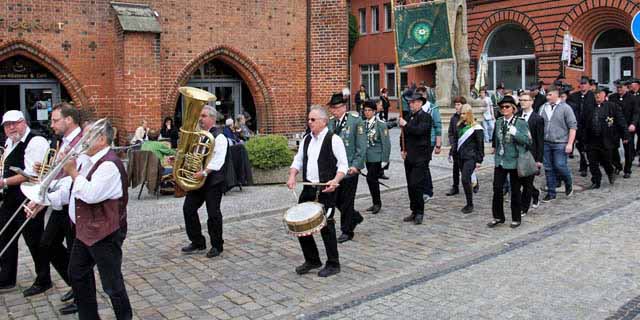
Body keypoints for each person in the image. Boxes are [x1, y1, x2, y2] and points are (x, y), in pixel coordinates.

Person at [35, 120, 132, 320]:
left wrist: (72, 171)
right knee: (77, 274)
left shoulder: (109, 164)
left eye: (88, 136)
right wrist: (44, 194)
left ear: (102, 140)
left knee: (112, 284)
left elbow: (90, 194)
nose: (83, 141)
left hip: (105, 232)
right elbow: (69, 188)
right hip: (84, 231)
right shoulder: (85, 160)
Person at [25, 103, 84, 314]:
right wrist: (39, 198)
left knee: (76, 253)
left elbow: (72, 179)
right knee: (47, 244)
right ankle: (76, 285)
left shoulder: (80, 143)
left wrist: (43, 201)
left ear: (69, 120)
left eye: (55, 120)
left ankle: (82, 294)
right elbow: (58, 174)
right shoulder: (63, 141)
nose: (52, 125)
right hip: (60, 202)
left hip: (72, 204)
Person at [287, 105, 347, 277]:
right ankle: (312, 259)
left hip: (326, 189)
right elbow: (297, 161)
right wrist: (292, 176)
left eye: (313, 120)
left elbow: (343, 165)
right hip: (308, 188)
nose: (310, 122)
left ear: (323, 121)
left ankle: (333, 263)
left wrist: (335, 181)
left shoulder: (333, 139)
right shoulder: (306, 139)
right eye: (309, 119)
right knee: (300, 225)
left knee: (326, 227)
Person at [0, 110, 50, 293]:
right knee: (4, 236)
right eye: (7, 125)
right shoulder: (9, 142)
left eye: (15, 123)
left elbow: (31, 174)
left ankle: (44, 279)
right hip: (11, 197)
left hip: (29, 197)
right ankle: (6, 277)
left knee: (34, 239)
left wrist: (4, 181)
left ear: (24, 122)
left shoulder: (35, 141)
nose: (11, 127)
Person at [179, 106, 228, 258]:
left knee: (213, 213)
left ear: (212, 118)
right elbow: (193, 154)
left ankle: (217, 245)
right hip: (198, 179)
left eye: (204, 116)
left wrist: (205, 172)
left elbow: (219, 160)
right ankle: (197, 241)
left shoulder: (220, 137)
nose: (200, 118)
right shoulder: (198, 136)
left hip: (212, 180)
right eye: (200, 115)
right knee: (188, 209)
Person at [327, 93, 367, 243]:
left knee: (347, 200)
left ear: (344, 107)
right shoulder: (330, 123)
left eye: (337, 108)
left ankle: (347, 231)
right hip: (336, 169)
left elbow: (361, 146)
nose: (334, 111)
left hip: (350, 168)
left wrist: (356, 166)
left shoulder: (355, 121)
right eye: (332, 108)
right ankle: (354, 217)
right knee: (335, 199)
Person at [488, 96, 531, 228]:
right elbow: (496, 139)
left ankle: (516, 217)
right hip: (500, 160)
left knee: (515, 190)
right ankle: (498, 216)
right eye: (502, 107)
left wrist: (515, 133)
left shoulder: (521, 122)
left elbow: (527, 140)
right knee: (497, 189)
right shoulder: (499, 121)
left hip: (514, 160)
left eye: (507, 107)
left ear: (513, 108)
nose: (504, 109)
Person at [580, 88, 628, 189]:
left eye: (600, 95)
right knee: (592, 162)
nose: (597, 97)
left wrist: (625, 135)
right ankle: (596, 180)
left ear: (604, 95)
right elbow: (583, 123)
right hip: (592, 139)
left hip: (606, 139)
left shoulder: (612, 107)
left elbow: (621, 121)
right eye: (596, 95)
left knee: (606, 161)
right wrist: (581, 138)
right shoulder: (589, 107)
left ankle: (610, 172)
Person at [399, 92, 432, 225]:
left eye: (413, 102)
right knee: (410, 186)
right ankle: (414, 210)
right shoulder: (409, 116)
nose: (410, 104)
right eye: (409, 102)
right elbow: (403, 136)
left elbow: (419, 131)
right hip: (409, 156)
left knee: (416, 184)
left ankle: (420, 212)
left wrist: (406, 125)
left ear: (420, 103)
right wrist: (402, 149)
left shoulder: (426, 117)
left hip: (421, 157)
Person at [540, 87, 578, 202]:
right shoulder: (543, 107)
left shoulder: (565, 108)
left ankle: (568, 181)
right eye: (547, 95)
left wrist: (570, 144)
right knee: (548, 167)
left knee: (560, 165)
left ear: (556, 95)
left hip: (561, 142)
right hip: (546, 142)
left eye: (550, 94)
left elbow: (573, 126)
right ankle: (551, 192)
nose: (547, 97)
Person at [517, 93, 544, 216]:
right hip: (518, 154)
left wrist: (539, 159)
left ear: (531, 102)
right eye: (521, 100)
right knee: (520, 180)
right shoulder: (517, 116)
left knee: (527, 182)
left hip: (531, 154)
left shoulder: (537, 119)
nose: (522, 102)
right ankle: (535, 192)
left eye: (525, 100)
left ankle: (524, 207)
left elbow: (540, 140)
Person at [362, 100, 391, 214]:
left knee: (370, 178)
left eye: (369, 110)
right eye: (365, 110)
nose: (367, 112)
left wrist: (385, 159)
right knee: (372, 180)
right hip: (368, 158)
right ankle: (375, 202)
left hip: (377, 157)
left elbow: (386, 143)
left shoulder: (381, 124)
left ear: (374, 111)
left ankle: (377, 203)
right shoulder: (363, 124)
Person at [455, 104, 484, 213]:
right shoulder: (460, 126)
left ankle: (470, 204)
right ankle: (474, 183)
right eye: (461, 113)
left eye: (464, 114)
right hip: (461, 157)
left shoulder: (477, 128)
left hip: (471, 157)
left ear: (469, 114)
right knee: (466, 179)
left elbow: (480, 145)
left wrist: (479, 160)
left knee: (465, 179)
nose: (462, 116)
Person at [417, 86, 442, 202]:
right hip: (418, 141)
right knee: (421, 165)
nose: (421, 97)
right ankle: (423, 188)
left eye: (422, 95)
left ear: (426, 95)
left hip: (430, 140)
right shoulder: (416, 108)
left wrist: (438, 144)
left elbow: (438, 126)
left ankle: (428, 190)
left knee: (424, 164)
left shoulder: (432, 108)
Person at [609, 80, 639, 178]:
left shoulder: (632, 98)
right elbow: (609, 111)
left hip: (627, 127)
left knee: (628, 149)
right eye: (618, 88)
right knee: (613, 147)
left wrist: (633, 124)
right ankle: (617, 165)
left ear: (626, 88)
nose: (619, 89)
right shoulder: (612, 97)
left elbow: (636, 113)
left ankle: (628, 169)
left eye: (621, 87)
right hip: (615, 127)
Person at [568, 76, 595, 177]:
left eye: (585, 84)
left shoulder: (593, 96)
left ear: (589, 85)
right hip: (578, 125)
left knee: (589, 147)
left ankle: (591, 165)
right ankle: (583, 166)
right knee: (580, 147)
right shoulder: (574, 96)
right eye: (581, 84)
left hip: (590, 125)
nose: (583, 85)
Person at [446, 96, 466, 196]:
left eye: (458, 104)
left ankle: (471, 183)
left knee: (465, 169)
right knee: (455, 168)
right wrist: (452, 142)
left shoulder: (467, 117)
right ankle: (455, 187)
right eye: (456, 105)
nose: (456, 107)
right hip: (456, 147)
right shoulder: (453, 118)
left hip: (465, 148)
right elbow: (450, 132)